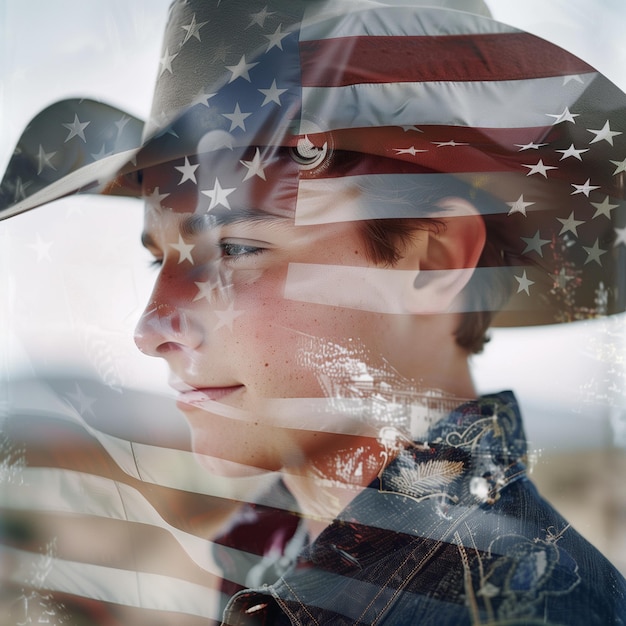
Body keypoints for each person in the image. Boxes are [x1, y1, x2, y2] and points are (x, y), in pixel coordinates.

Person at [2, 0, 626, 624]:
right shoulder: (275, 558)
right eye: (157, 260)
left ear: (433, 261)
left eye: (238, 249)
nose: (149, 330)